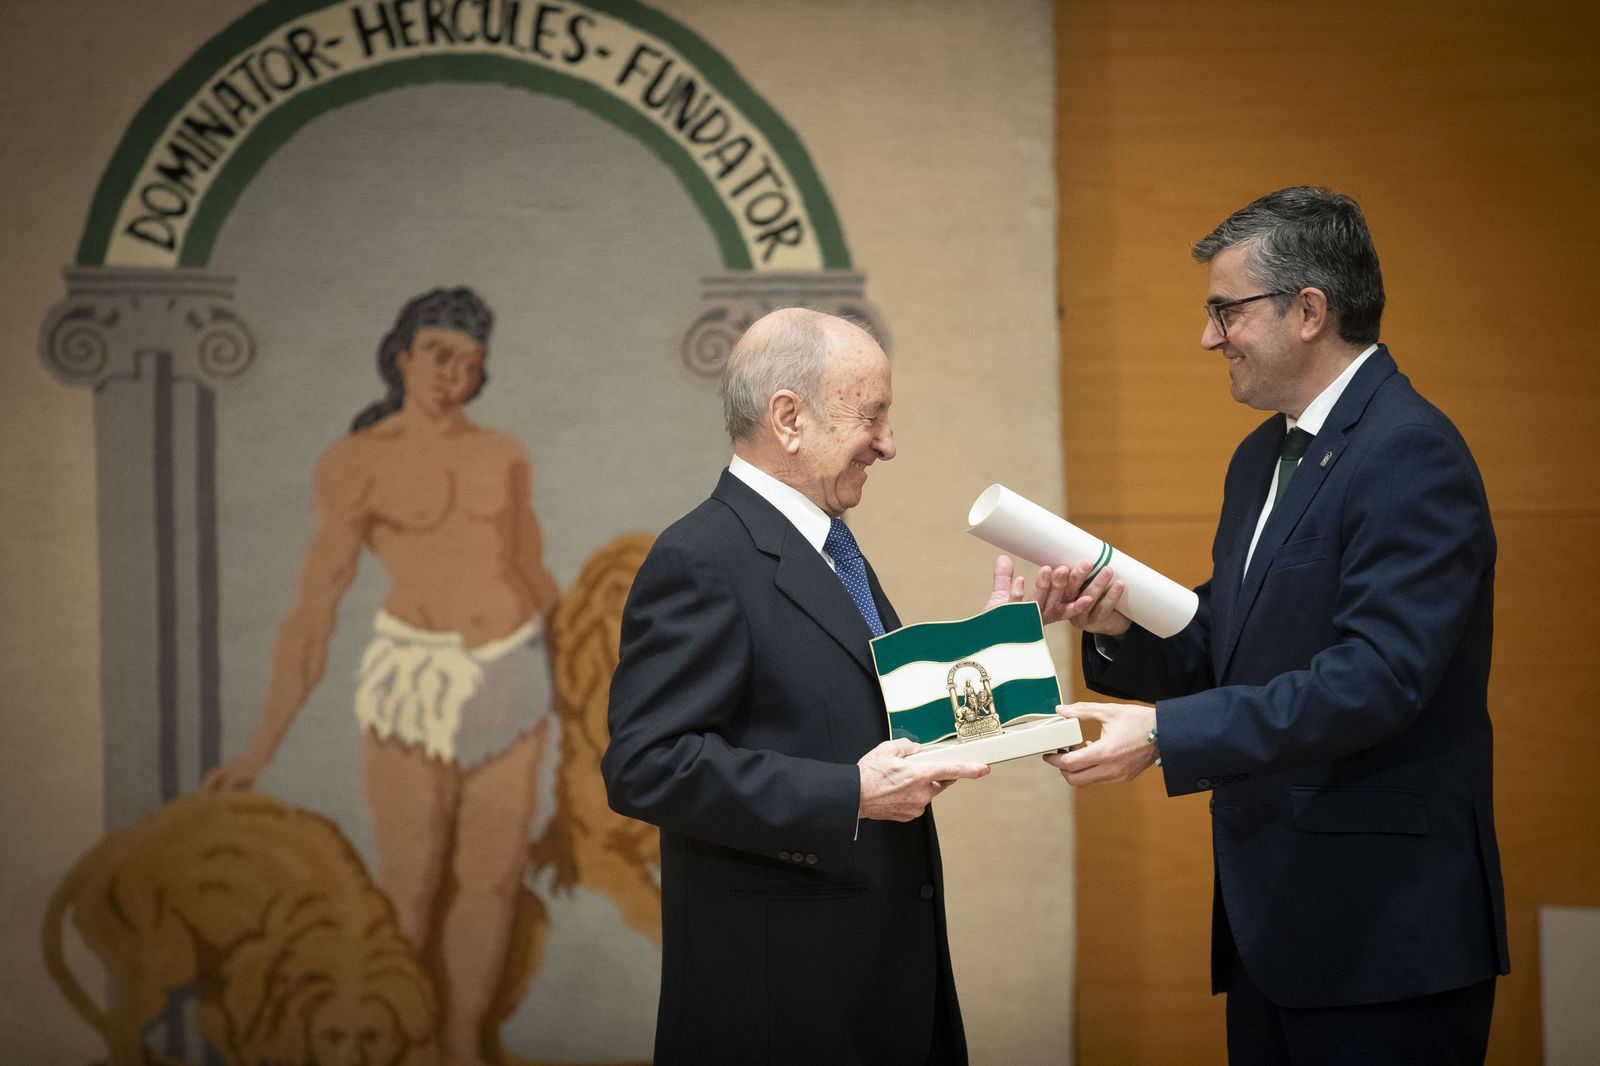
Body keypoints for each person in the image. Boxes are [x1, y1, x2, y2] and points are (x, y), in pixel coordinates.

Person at [1042, 188, 1509, 1064]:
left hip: (1384, 936)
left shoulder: (1410, 450)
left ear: (1308, 311)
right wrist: (1117, 627)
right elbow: (1236, 639)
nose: (1209, 337)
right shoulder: (1263, 454)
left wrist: (1167, 735)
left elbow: (1378, 679)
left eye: (1225, 311)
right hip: (1275, 931)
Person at [602, 307, 1000, 1066]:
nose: (888, 444)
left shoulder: (825, 544)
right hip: (783, 1006)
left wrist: (995, 649)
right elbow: (645, 766)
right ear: (790, 417)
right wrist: (847, 794)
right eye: (873, 416)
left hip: (880, 979)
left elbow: (861, 711)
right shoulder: (702, 558)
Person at [205, 288, 561, 1066]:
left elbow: (532, 571)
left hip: (510, 674)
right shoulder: (356, 461)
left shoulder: (501, 452)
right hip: (414, 682)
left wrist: (588, 682)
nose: (453, 374)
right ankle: (409, 1044)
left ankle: (463, 1042)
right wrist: (258, 750)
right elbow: (312, 610)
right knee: (411, 883)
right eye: (439, 354)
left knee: (492, 881)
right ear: (402, 354)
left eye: (469, 363)